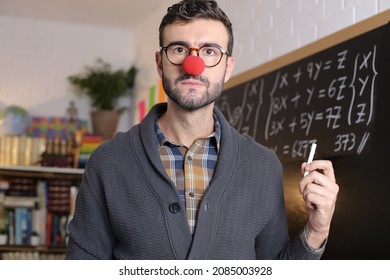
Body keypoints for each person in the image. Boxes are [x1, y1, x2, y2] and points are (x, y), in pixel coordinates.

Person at [65, 0, 339, 260]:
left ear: (227, 67)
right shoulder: (108, 162)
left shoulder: (263, 166)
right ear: (160, 63)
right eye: (179, 49)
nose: (192, 65)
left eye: (210, 51)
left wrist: (317, 231)